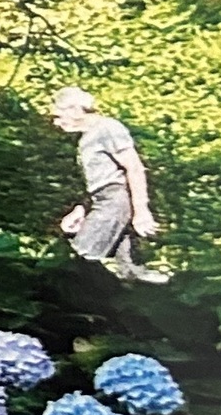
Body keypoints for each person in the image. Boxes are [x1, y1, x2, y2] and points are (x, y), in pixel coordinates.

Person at [51, 88, 168, 281]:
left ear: (75, 110)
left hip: (115, 201)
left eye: (58, 115)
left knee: (81, 254)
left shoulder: (108, 128)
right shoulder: (87, 137)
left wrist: (141, 211)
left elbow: (135, 168)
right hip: (103, 199)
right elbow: (100, 179)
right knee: (126, 271)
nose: (56, 122)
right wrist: (82, 209)